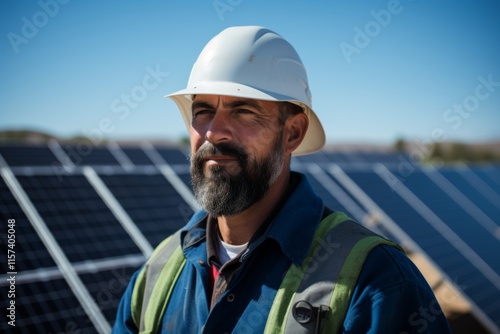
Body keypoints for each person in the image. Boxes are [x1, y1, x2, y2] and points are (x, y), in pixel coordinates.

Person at [112, 26, 451, 333]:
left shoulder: (378, 282)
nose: (214, 132)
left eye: (243, 110)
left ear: (293, 133)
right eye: (202, 111)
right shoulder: (157, 275)